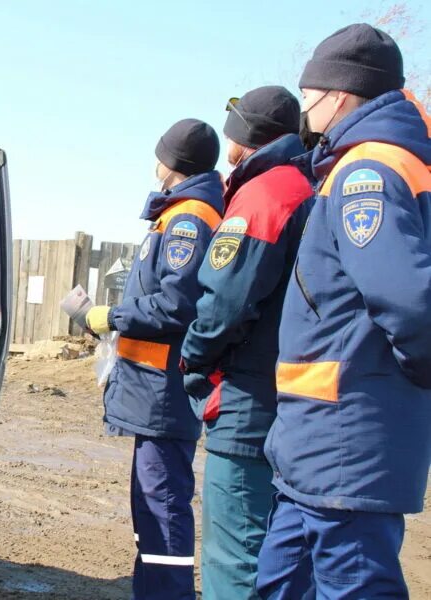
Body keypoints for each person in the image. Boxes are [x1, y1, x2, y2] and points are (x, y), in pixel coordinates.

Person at [257, 24, 431, 599]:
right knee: (281, 584)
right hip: (317, 448)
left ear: (339, 95)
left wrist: (405, 382)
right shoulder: (362, 165)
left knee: (353, 586)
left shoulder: (366, 172)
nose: (303, 105)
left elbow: (408, 300)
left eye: (310, 94)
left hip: (346, 445)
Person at [178, 86, 313, 600]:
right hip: (290, 402)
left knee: (235, 560)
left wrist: (193, 357)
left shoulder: (264, 194)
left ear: (242, 139)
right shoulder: (304, 183)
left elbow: (224, 304)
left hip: (247, 404)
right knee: (281, 562)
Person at [84, 119, 223, 600]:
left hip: (163, 392)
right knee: (151, 513)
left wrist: (112, 316)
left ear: (172, 163)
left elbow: (174, 304)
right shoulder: (175, 215)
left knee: (162, 511)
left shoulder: (189, 218)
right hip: (151, 391)